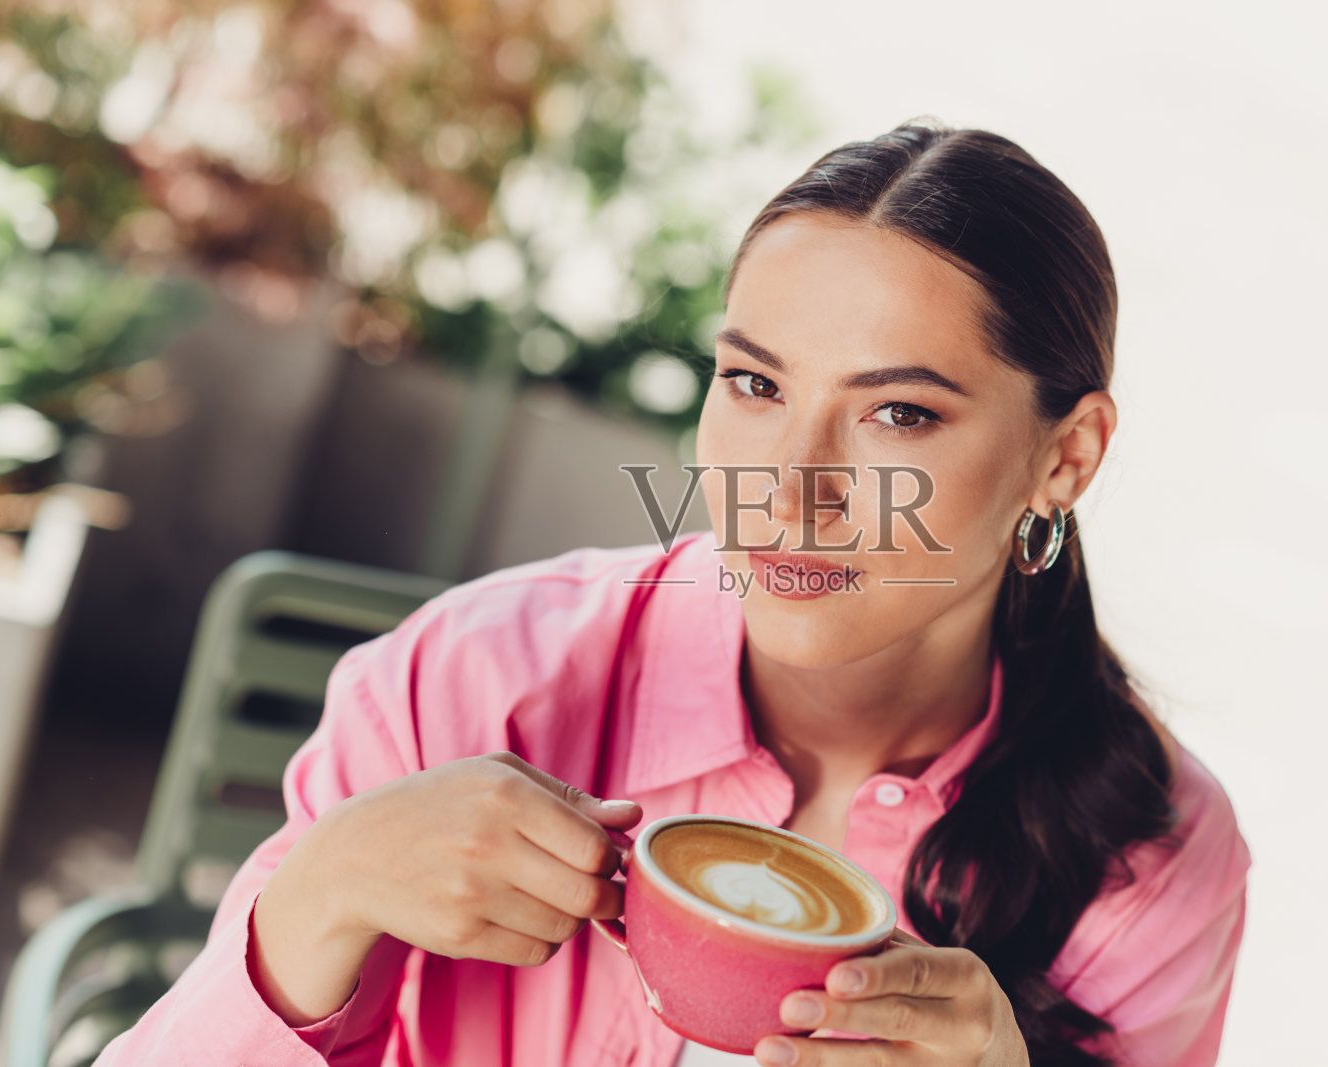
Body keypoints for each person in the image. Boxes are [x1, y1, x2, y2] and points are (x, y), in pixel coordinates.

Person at [93, 118, 1251, 1067]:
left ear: (1066, 456)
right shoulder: (464, 681)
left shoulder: (1150, 858)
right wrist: (324, 897)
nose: (788, 490)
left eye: (899, 412)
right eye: (753, 382)